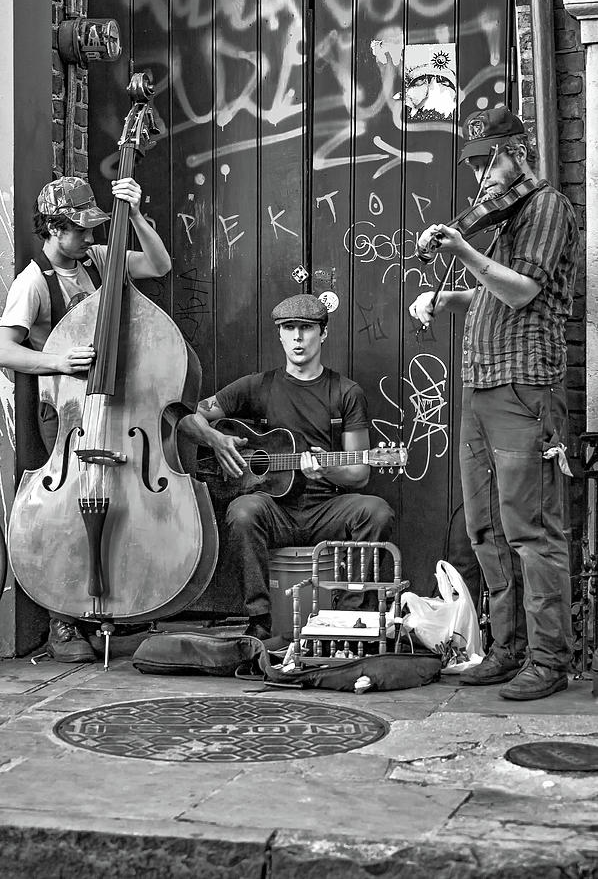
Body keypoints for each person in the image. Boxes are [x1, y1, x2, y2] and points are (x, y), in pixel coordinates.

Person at [409, 105, 579, 700]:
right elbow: (489, 294)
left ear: (519, 153)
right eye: (476, 162)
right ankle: (506, 650)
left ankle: (548, 658)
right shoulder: (502, 218)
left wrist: (464, 253)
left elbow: (524, 290)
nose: (482, 173)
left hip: (523, 388)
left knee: (531, 530)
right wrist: (449, 300)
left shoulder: (546, 207)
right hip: (480, 388)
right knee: (485, 527)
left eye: (491, 160)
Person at [0, 175, 172, 662]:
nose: (90, 238)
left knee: (119, 502)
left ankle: (112, 610)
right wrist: (56, 360)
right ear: (53, 230)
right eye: (79, 231)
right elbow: (4, 348)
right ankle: (63, 623)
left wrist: (135, 215)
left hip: (112, 409)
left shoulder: (96, 260)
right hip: (66, 415)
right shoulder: (32, 282)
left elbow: (159, 265)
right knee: (67, 517)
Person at [179, 294, 395, 640]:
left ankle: (354, 617)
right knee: (243, 510)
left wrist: (324, 470)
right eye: (288, 329)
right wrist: (217, 441)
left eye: (306, 328)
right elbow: (187, 417)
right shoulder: (257, 385)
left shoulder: (345, 392)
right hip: (275, 508)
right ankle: (259, 621)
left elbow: (360, 472)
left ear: (322, 334)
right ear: (279, 335)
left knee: (376, 512)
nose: (297, 337)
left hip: (326, 507)